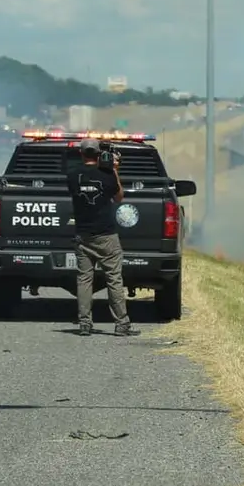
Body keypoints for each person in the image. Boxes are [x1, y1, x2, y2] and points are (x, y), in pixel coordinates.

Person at [67, 138, 140, 337]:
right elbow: (119, 197)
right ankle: (121, 324)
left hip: (83, 234)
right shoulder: (107, 175)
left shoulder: (73, 176)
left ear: (82, 154)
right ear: (99, 154)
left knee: (84, 279)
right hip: (106, 235)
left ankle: (84, 323)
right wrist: (114, 169)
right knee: (114, 279)